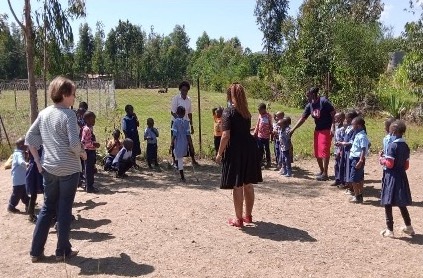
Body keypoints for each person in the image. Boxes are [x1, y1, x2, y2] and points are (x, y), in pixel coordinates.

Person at [25, 76, 86, 262]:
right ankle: (62, 251)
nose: (75, 98)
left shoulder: (44, 113)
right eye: (73, 94)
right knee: (64, 210)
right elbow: (75, 144)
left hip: (49, 169)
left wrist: (37, 160)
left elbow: (29, 137)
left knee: (46, 208)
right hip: (68, 170)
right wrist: (83, 153)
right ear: (65, 94)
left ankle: (36, 251)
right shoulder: (68, 115)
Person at [216, 83, 262, 228]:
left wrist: (219, 154)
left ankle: (238, 219)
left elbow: (225, 135)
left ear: (230, 95)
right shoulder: (246, 112)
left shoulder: (228, 112)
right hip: (249, 148)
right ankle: (248, 216)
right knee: (247, 184)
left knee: (237, 185)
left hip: (235, 150)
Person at [289, 87, 335, 181]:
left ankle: (325, 173)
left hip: (326, 129)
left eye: (308, 95)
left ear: (313, 94)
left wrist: (333, 127)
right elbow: (302, 119)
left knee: (325, 151)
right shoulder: (309, 105)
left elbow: (333, 113)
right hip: (317, 130)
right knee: (317, 151)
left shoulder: (324, 101)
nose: (307, 97)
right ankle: (322, 171)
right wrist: (293, 129)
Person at [379, 120, 415, 237]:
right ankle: (409, 227)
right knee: (401, 202)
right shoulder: (405, 146)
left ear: (393, 131)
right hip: (401, 176)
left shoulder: (392, 145)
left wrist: (382, 160)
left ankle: (389, 230)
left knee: (387, 202)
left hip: (391, 177)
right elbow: (406, 166)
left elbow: (389, 164)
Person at [170, 81, 198, 166]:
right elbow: (173, 112)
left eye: (186, 90)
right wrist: (179, 121)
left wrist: (191, 125)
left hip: (185, 123)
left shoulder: (188, 100)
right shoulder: (176, 99)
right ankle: (174, 160)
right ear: (180, 90)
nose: (184, 92)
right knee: (175, 141)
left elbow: (189, 113)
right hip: (176, 123)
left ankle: (193, 159)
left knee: (189, 141)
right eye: (183, 90)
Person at [344, 116, 369, 203]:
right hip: (355, 158)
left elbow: (364, 148)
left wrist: (361, 160)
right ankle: (360, 195)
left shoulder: (362, 136)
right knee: (359, 178)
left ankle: (357, 196)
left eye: (353, 125)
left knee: (354, 179)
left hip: (357, 159)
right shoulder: (358, 135)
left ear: (358, 126)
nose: (351, 126)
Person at [8, 137, 30, 213]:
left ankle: (28, 203)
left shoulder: (19, 153)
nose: (27, 146)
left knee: (24, 192)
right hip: (18, 179)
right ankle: (11, 206)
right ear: (21, 146)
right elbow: (21, 162)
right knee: (17, 193)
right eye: (26, 145)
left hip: (21, 179)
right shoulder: (18, 154)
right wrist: (27, 164)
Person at [171, 106, 193, 182]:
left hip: (178, 142)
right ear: (184, 114)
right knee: (175, 152)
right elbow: (188, 134)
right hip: (184, 142)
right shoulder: (186, 122)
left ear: (177, 113)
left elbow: (174, 134)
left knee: (179, 159)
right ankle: (176, 164)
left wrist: (171, 144)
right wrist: (190, 145)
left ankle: (182, 176)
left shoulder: (175, 122)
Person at [81, 111, 100, 193]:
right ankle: (89, 187)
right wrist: (94, 144)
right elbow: (84, 141)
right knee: (88, 169)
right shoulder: (86, 129)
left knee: (91, 169)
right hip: (88, 151)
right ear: (87, 120)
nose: (94, 121)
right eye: (92, 119)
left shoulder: (90, 128)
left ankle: (89, 185)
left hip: (91, 151)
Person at [26, 145, 44, 223]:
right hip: (37, 168)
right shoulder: (39, 142)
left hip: (33, 168)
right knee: (45, 192)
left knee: (35, 194)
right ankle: (31, 214)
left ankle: (31, 214)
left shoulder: (32, 142)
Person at [253, 103, 273, 168]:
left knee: (267, 149)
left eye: (260, 110)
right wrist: (255, 132)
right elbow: (257, 124)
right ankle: (260, 161)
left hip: (266, 136)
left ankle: (268, 162)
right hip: (260, 136)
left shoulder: (268, 116)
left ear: (264, 109)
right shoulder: (260, 116)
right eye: (258, 110)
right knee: (260, 149)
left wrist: (271, 132)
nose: (259, 112)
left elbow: (270, 125)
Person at [379, 117, 396, 190]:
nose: (384, 128)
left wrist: (383, 155)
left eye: (385, 127)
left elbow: (389, 149)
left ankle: (387, 192)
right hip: (396, 161)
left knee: (387, 177)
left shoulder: (387, 138)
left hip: (388, 161)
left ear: (388, 128)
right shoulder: (397, 137)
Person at [331, 112, 346, 187]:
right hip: (336, 149)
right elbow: (333, 133)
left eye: (336, 118)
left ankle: (342, 181)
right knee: (336, 165)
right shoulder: (338, 127)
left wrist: (339, 151)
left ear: (341, 119)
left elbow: (343, 140)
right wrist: (333, 124)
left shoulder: (343, 128)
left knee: (341, 165)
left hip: (340, 150)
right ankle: (337, 179)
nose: (334, 119)